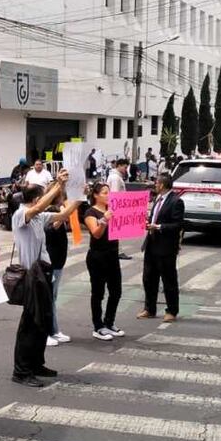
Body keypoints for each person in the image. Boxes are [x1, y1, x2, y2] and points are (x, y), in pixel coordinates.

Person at [10, 171, 77, 387]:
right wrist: (57, 185)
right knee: (29, 325)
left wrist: (78, 196)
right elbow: (38, 207)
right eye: (42, 197)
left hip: (44, 274)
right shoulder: (22, 215)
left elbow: (62, 215)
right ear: (36, 199)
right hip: (31, 277)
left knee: (42, 323)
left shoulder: (40, 217)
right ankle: (21, 371)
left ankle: (36, 363)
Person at [138, 174, 184, 322]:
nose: (154, 185)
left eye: (156, 183)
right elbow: (155, 217)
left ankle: (171, 310)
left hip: (166, 247)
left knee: (168, 279)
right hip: (151, 243)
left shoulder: (176, 201)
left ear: (162, 185)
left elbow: (177, 225)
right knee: (149, 278)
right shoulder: (158, 199)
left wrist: (158, 227)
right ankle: (149, 308)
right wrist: (148, 223)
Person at [83, 182, 124, 341]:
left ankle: (109, 322)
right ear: (96, 195)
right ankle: (98, 326)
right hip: (97, 256)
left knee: (116, 291)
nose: (108, 195)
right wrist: (104, 221)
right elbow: (96, 234)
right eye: (105, 193)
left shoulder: (112, 210)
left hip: (113, 254)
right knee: (98, 292)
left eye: (109, 192)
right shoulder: (90, 212)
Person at [43, 191, 71, 347]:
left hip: (58, 262)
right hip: (51, 262)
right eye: (64, 198)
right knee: (48, 298)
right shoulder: (51, 211)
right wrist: (64, 211)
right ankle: (46, 332)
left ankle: (53, 329)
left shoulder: (56, 210)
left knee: (52, 298)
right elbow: (53, 227)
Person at [106, 159, 133, 260]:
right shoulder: (115, 178)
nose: (126, 170)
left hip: (116, 207)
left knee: (115, 231)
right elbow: (115, 194)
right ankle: (118, 251)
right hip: (116, 208)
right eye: (125, 167)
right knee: (116, 231)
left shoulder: (115, 177)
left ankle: (116, 250)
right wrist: (115, 210)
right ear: (119, 166)